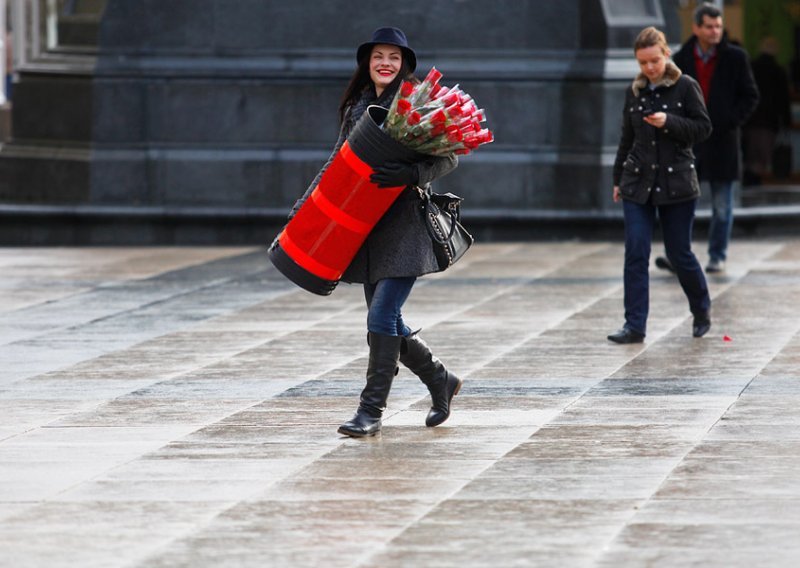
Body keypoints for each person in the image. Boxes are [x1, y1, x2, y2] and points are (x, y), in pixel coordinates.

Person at [288, 27, 462, 437]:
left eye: (394, 58)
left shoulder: (417, 103)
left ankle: (371, 411)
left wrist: (413, 172)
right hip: (365, 226)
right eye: (378, 56)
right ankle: (440, 380)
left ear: (404, 66)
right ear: (368, 63)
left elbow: (450, 157)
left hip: (405, 225)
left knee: (382, 314)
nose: (385, 63)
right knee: (386, 319)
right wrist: (304, 208)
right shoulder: (357, 109)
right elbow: (337, 162)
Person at [608, 26, 712, 344]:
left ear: (666, 54)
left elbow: (703, 128)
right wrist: (617, 180)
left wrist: (670, 122)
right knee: (635, 251)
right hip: (637, 182)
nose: (649, 68)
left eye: (654, 60)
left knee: (678, 253)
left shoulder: (685, 86)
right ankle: (634, 325)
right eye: (643, 63)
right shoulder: (635, 91)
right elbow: (626, 138)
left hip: (677, 183)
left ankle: (701, 309)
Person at [655, 2, 758, 274]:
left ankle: (717, 255)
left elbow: (750, 95)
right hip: (689, 142)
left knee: (722, 206)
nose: (715, 31)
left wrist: (730, 120)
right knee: (680, 203)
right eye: (709, 26)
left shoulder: (736, 57)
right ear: (696, 27)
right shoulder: (680, 58)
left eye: (719, 26)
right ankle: (677, 256)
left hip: (723, 141)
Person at [743, 37, 792, 185]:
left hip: (750, 118)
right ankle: (753, 178)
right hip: (769, 120)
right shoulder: (778, 71)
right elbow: (783, 99)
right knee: (762, 156)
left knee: (750, 153)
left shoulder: (751, 67)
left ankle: (750, 178)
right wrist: (786, 121)